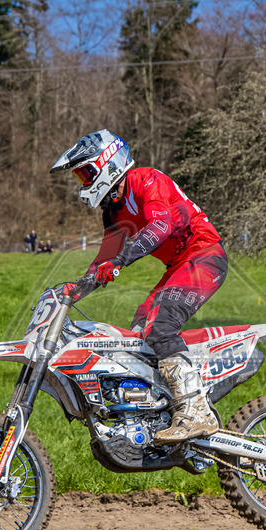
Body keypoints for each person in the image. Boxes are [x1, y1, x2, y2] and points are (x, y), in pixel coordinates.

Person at [51, 129, 227, 444]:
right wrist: (75, 290)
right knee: (138, 331)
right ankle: (158, 411)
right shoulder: (112, 209)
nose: (84, 182)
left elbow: (160, 226)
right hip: (178, 266)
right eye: (80, 177)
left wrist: (120, 261)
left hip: (204, 255)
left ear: (108, 163)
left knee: (159, 326)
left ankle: (196, 410)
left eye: (86, 173)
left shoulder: (147, 180)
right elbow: (105, 258)